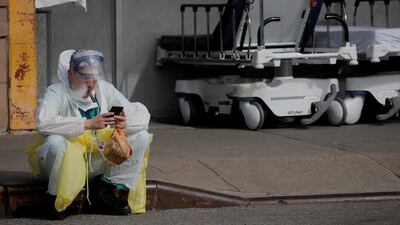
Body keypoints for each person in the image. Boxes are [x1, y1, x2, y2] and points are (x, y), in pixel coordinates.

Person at [32, 49, 151, 220]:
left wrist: (126, 123)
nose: (91, 84)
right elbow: (43, 122)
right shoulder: (56, 92)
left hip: (96, 160)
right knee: (55, 142)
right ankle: (55, 197)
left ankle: (104, 190)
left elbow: (140, 114)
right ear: (70, 73)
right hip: (64, 164)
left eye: (94, 78)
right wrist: (87, 124)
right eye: (85, 78)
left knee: (141, 136)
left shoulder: (104, 89)